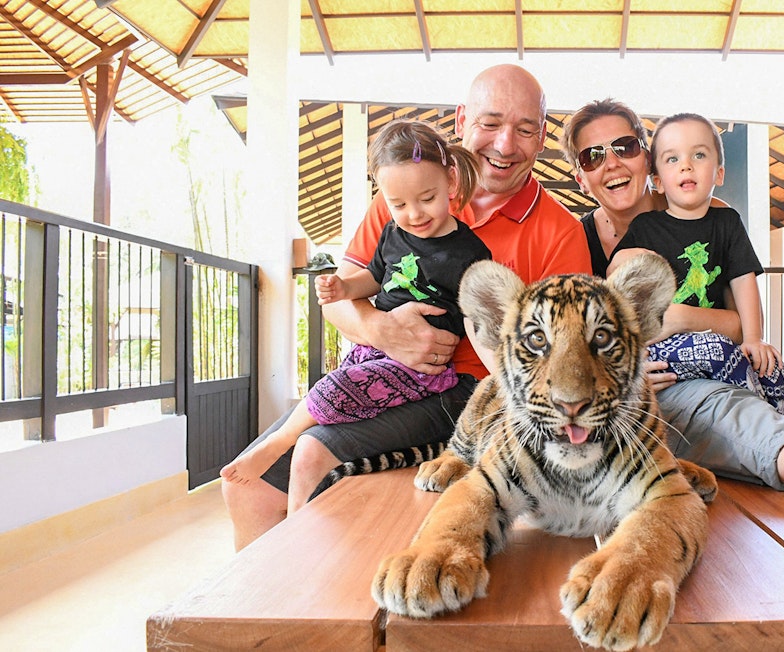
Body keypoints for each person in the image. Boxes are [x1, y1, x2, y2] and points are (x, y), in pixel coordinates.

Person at [222, 64, 592, 551]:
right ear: (462, 120)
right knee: (243, 488)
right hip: (381, 366)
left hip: (465, 391)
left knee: (314, 454)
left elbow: (559, 360)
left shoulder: (560, 232)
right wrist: (382, 329)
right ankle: (264, 617)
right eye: (491, 123)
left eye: (524, 129)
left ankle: (313, 600)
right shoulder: (402, 192)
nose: (505, 145)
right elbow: (341, 301)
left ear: (542, 137)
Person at [562, 98, 784, 514]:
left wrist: (681, 317)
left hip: (720, 361)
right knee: (718, 403)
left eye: (623, 147)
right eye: (593, 156)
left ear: (646, 158)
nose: (610, 163)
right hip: (646, 395)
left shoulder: (709, 216)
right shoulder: (577, 243)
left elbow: (739, 325)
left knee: (776, 392)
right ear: (580, 176)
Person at [219, 120, 491, 513]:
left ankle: (277, 447)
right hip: (376, 352)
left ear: (450, 183)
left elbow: (477, 319)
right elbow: (373, 278)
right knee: (341, 384)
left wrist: (503, 381)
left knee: (338, 389)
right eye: (398, 205)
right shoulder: (391, 233)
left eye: (427, 198)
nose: (413, 214)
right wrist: (344, 290)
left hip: (423, 370)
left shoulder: (468, 253)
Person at [608, 112, 784, 412]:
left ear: (719, 173)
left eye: (699, 155)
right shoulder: (645, 227)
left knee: (772, 368)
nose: (686, 165)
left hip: (714, 339)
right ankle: (754, 406)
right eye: (672, 159)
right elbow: (617, 277)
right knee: (720, 352)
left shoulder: (727, 222)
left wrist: (755, 339)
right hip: (665, 350)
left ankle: (779, 420)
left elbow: (743, 279)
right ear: (658, 182)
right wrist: (623, 259)